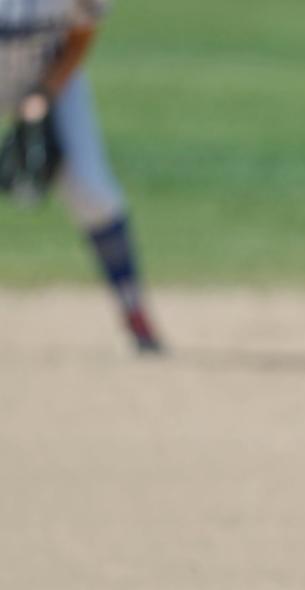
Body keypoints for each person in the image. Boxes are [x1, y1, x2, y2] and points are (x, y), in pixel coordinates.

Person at [1, 0, 162, 352]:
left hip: (47, 76)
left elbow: (81, 32)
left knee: (92, 192)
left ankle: (133, 308)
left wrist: (45, 93)